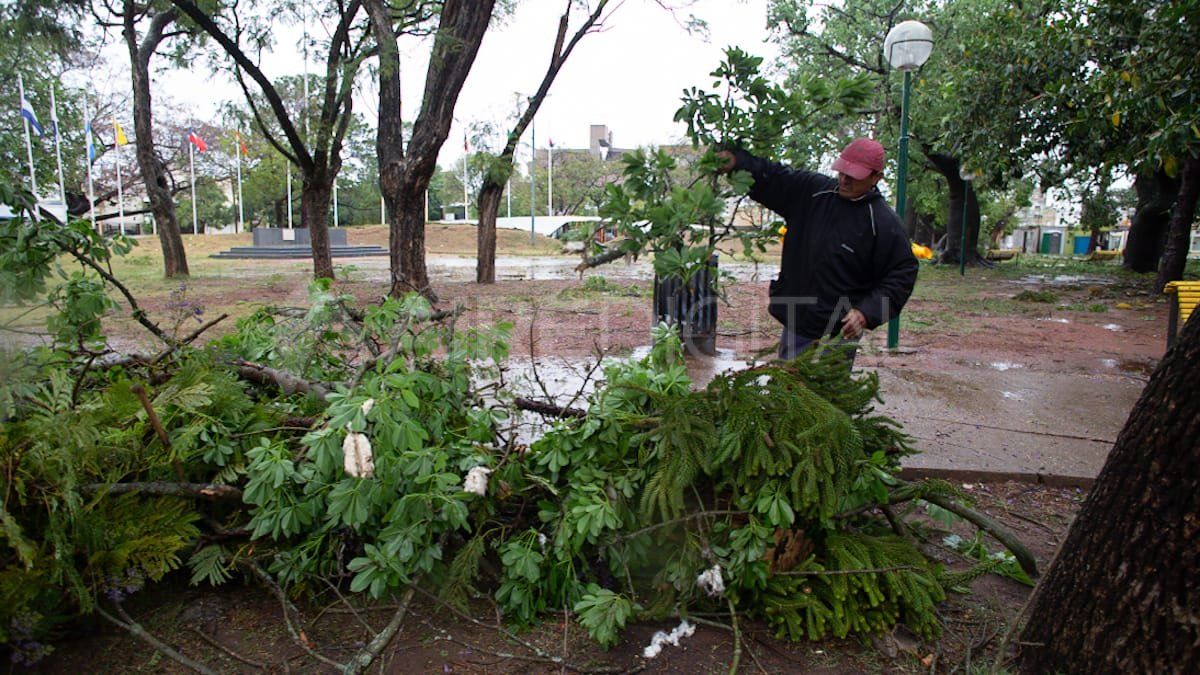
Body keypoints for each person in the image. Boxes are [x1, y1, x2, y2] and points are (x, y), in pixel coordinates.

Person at [716, 138, 918, 365]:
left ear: (875, 178)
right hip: (799, 322)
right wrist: (738, 162)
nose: (845, 179)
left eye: (854, 175)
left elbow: (902, 273)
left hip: (839, 333)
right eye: (842, 171)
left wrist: (865, 313)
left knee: (828, 395)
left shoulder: (882, 222)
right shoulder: (812, 193)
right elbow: (775, 177)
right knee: (789, 392)